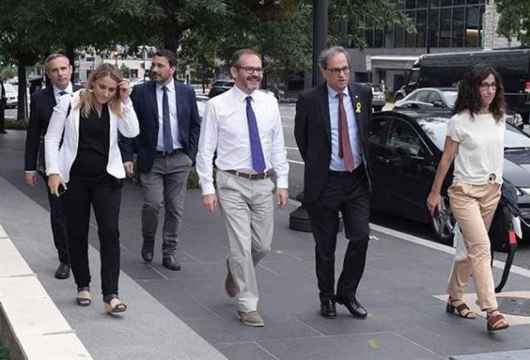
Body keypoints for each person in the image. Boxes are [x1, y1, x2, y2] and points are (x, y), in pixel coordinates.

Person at [196, 48, 289, 327]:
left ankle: (234, 269)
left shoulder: (269, 103)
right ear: (235, 71)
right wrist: (207, 188)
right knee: (241, 247)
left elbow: (277, 146)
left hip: (262, 184)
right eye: (249, 69)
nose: (255, 74)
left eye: (258, 69)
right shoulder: (217, 105)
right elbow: (205, 149)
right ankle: (248, 305)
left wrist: (282, 183)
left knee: (262, 245)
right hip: (231, 182)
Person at [45, 64, 139, 314]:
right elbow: (52, 138)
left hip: (107, 179)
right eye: (101, 87)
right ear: (92, 82)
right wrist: (53, 171)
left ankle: (111, 295)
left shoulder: (117, 105)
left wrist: (126, 99)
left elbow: (132, 131)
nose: (106, 93)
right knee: (77, 232)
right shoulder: (70, 102)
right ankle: (83, 285)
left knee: (110, 233)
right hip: (75, 179)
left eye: (111, 89)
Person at [426, 64, 510, 332]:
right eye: (484, 85)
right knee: (482, 247)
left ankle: (454, 298)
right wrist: (435, 192)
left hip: (491, 192)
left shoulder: (500, 117)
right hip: (464, 193)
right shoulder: (460, 121)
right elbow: (446, 160)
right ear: (473, 88)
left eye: (493, 85)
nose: (489, 90)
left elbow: (496, 156)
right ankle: (492, 310)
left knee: (468, 252)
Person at [294, 46, 373, 319]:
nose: (342, 75)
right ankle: (326, 296)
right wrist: (319, 168)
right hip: (326, 182)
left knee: (361, 236)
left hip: (356, 180)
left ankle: (347, 293)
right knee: (325, 247)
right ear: (324, 72)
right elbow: (301, 139)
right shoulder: (309, 100)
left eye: (345, 69)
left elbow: (365, 130)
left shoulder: (362, 94)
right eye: (336, 70)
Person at [120, 49, 201, 271]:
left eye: (159, 66)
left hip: (179, 159)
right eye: (153, 65)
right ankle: (148, 239)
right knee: (152, 204)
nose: (154, 69)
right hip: (151, 159)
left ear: (172, 69)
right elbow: (127, 125)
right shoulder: (140, 92)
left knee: (175, 208)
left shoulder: (186, 92)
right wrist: (127, 157)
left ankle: (169, 252)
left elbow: (195, 124)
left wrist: (190, 156)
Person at [24, 53, 75, 279]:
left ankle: (79, 253)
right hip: (54, 167)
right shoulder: (40, 99)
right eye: (55, 70)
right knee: (58, 214)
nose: (60, 73)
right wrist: (29, 167)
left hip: (82, 165)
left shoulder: (86, 94)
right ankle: (65, 259)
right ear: (48, 74)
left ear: (71, 69)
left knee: (81, 213)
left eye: (63, 68)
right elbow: (33, 134)